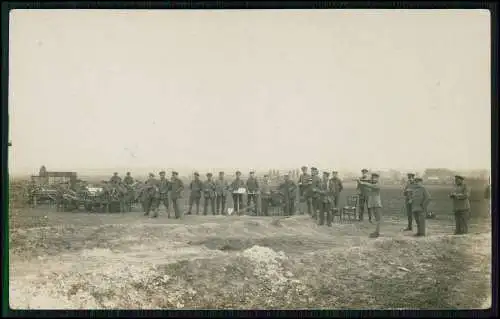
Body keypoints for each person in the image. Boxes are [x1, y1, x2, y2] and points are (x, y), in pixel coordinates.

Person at [358, 173, 383, 238]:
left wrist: (361, 182)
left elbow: (369, 185)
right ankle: (376, 232)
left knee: (378, 219)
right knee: (377, 218)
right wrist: (362, 181)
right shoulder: (373, 184)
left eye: (375, 178)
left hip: (377, 204)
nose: (373, 179)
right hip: (373, 204)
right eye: (372, 178)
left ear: (377, 178)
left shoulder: (377, 185)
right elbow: (368, 185)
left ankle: (377, 232)